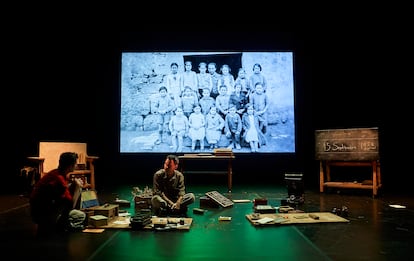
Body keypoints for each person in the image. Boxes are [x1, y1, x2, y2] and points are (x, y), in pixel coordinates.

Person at [29, 152, 86, 237]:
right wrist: (77, 186)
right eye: (75, 163)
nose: (76, 165)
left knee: (80, 215)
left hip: (41, 209)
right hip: (42, 213)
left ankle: (58, 223)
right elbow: (68, 201)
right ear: (70, 165)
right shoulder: (58, 178)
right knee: (80, 215)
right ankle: (59, 225)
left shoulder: (57, 173)